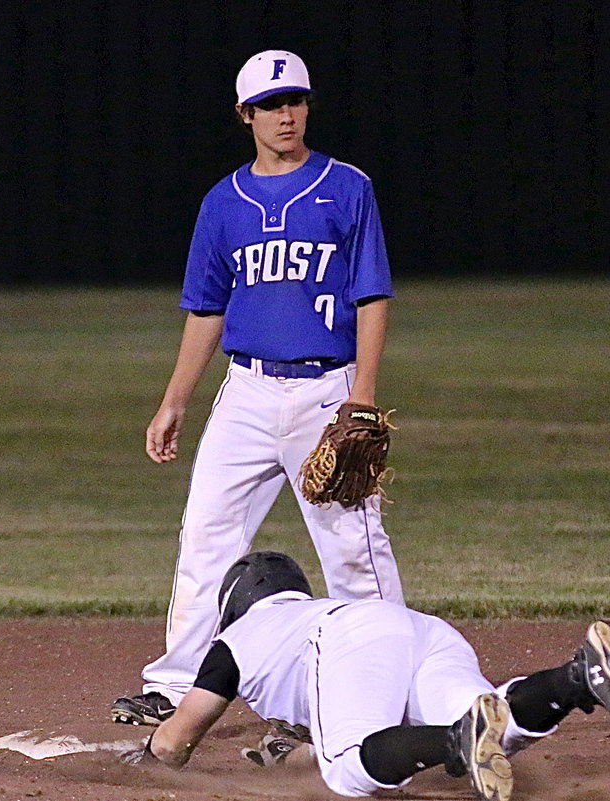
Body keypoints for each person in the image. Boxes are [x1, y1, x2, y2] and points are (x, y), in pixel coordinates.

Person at [111, 50, 403, 727]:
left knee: (354, 546)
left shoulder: (346, 187)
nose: (287, 115)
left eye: (296, 101)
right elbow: (207, 307)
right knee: (207, 534)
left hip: (326, 391)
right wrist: (175, 399)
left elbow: (373, 296)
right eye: (271, 105)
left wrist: (362, 394)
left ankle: (390, 681)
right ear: (245, 115)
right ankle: (178, 682)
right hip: (246, 392)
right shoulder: (223, 203)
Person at [124, 552, 610, 801]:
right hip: (418, 629)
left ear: (234, 605)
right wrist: (293, 759)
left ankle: (455, 742)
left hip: (349, 642)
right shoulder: (302, 617)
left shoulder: (237, 640)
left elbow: (175, 741)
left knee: (349, 773)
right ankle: (577, 678)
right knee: (488, 719)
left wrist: (139, 763)